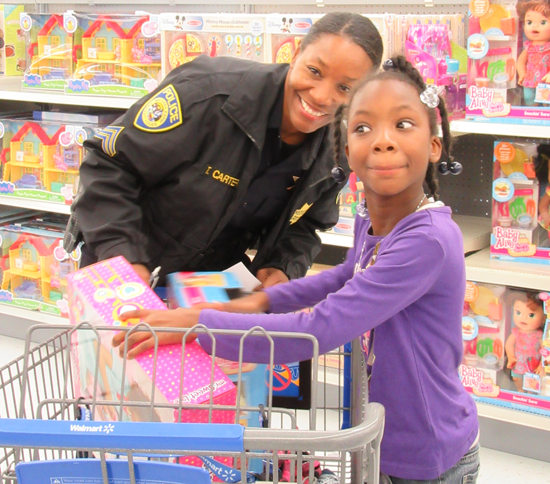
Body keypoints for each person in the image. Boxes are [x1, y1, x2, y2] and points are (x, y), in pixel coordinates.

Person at [113, 55, 479, 482]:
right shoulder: (374, 218)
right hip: (382, 435)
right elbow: (344, 277)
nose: (382, 141)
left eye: (403, 125)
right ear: (346, 150)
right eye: (363, 128)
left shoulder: (427, 240)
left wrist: (199, 324)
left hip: (427, 452)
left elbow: (320, 327)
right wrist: (259, 299)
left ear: (435, 145)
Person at [64, 13, 384, 288]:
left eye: (345, 88)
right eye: (315, 71)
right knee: (118, 359)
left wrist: (283, 268)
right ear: (297, 53)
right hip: (123, 268)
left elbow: (307, 224)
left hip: (208, 291)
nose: (322, 96)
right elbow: (109, 164)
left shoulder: (337, 152)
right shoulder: (207, 95)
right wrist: (124, 257)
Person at [505, 291, 545, 392]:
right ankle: (520, 392)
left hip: (533, 364)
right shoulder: (516, 332)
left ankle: (529, 396)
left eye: (531, 315)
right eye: (518, 312)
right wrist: (510, 357)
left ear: (543, 318)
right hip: (518, 362)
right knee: (516, 378)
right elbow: (509, 344)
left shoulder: (538, 334)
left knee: (531, 383)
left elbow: (545, 349)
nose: (523, 318)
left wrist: (542, 364)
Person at [517, 0, 550, 106]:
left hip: (546, 81)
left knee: (546, 102)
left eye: (543, 22)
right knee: (529, 98)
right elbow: (520, 62)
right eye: (529, 22)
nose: (534, 27)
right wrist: (522, 73)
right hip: (530, 80)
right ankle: (531, 113)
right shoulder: (528, 47)